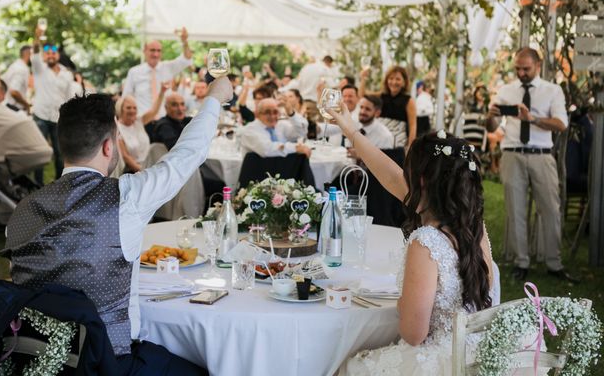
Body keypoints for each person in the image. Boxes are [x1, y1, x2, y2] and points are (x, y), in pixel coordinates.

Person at [1, 76, 233, 376]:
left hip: (31, 360)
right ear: (110, 146)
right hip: (106, 363)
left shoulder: (20, 211)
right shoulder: (127, 197)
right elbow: (186, 155)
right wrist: (213, 98)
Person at [326, 103, 496, 375]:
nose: (402, 178)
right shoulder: (475, 228)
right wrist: (350, 128)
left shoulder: (427, 241)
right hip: (479, 353)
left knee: (343, 367)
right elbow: (391, 175)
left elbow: (413, 334)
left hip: (441, 362)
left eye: (409, 173)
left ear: (422, 184)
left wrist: (403, 301)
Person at [487, 47, 577, 283]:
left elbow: (561, 124)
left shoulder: (552, 90)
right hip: (512, 154)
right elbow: (490, 126)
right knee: (515, 209)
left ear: (538, 65)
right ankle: (521, 262)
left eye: (525, 68)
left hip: (541, 154)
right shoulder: (506, 90)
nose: (521, 72)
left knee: (550, 208)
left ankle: (553, 263)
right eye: (517, 68)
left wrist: (532, 119)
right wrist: (491, 115)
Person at [31, 28, 76, 184]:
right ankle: (37, 185)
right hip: (41, 116)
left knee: (59, 153)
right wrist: (37, 38)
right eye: (47, 53)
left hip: (58, 118)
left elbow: (69, 97)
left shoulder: (67, 74)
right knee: (39, 153)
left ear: (57, 55)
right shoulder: (39, 69)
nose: (50, 55)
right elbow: (35, 52)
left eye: (53, 53)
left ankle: (59, 183)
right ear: (44, 56)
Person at [122, 28, 193, 119]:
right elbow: (126, 98)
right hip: (142, 121)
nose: (155, 54)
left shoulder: (168, 67)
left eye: (158, 51)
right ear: (144, 51)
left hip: (164, 121)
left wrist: (185, 41)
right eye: (152, 50)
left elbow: (187, 59)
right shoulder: (134, 72)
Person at [115, 82, 168, 173]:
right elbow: (126, 157)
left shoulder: (138, 121)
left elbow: (154, 111)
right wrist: (144, 172)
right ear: (121, 109)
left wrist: (162, 93)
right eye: (128, 108)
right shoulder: (117, 128)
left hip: (150, 165)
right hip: (133, 171)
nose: (132, 111)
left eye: (134, 108)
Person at [240, 98, 311, 158]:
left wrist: (291, 113)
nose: (272, 116)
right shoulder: (250, 130)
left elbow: (301, 132)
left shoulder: (281, 126)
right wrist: (295, 148)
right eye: (267, 112)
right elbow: (267, 149)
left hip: (281, 170)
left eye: (275, 112)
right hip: (257, 172)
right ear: (257, 114)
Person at [297, 55, 336, 121]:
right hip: (315, 105)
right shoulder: (324, 68)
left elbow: (298, 84)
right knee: (318, 128)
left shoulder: (305, 68)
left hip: (303, 104)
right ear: (329, 63)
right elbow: (332, 87)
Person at [2, 45, 32, 112]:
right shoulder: (21, 69)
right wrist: (26, 105)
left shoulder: (15, 65)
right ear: (29, 54)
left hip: (8, 106)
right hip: (14, 108)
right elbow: (14, 92)